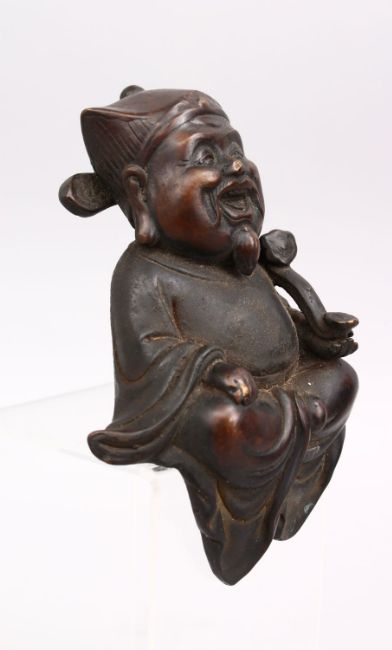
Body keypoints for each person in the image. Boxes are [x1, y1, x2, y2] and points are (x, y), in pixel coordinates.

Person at [60, 86, 358, 584]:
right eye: (205, 157)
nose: (236, 167)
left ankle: (292, 441)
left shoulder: (243, 259)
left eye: (236, 150)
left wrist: (312, 334)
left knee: (340, 377)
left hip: (274, 398)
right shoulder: (145, 274)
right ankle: (271, 455)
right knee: (225, 423)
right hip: (226, 405)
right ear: (142, 193)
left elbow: (276, 316)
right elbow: (150, 351)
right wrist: (213, 369)